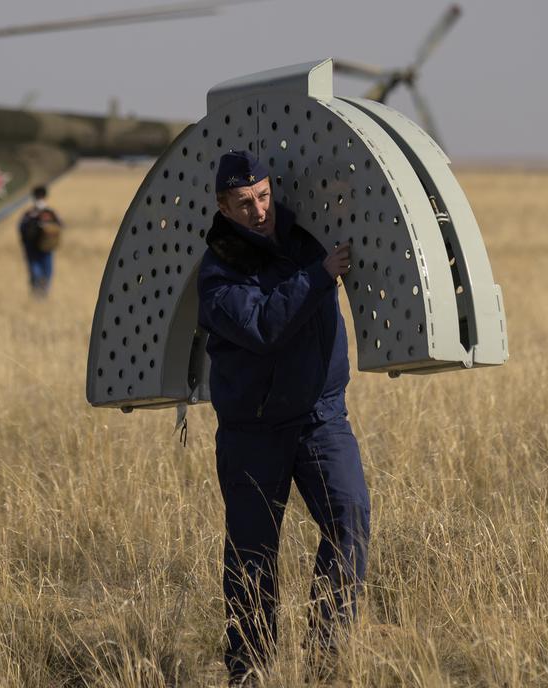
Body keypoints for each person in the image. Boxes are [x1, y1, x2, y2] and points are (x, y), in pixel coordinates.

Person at [197, 151, 365, 684]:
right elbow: (263, 326)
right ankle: (250, 671)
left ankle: (325, 659)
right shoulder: (219, 269)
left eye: (264, 196)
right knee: (253, 556)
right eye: (244, 202)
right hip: (254, 430)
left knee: (350, 518)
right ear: (224, 208)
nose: (259, 210)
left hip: (320, 416)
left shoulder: (307, 239)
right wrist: (318, 277)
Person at [17, 185, 62, 298]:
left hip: (36, 247)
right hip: (44, 247)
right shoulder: (51, 213)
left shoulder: (29, 213)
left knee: (37, 270)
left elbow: (21, 228)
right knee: (45, 271)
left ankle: (38, 293)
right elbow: (60, 225)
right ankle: (42, 293)